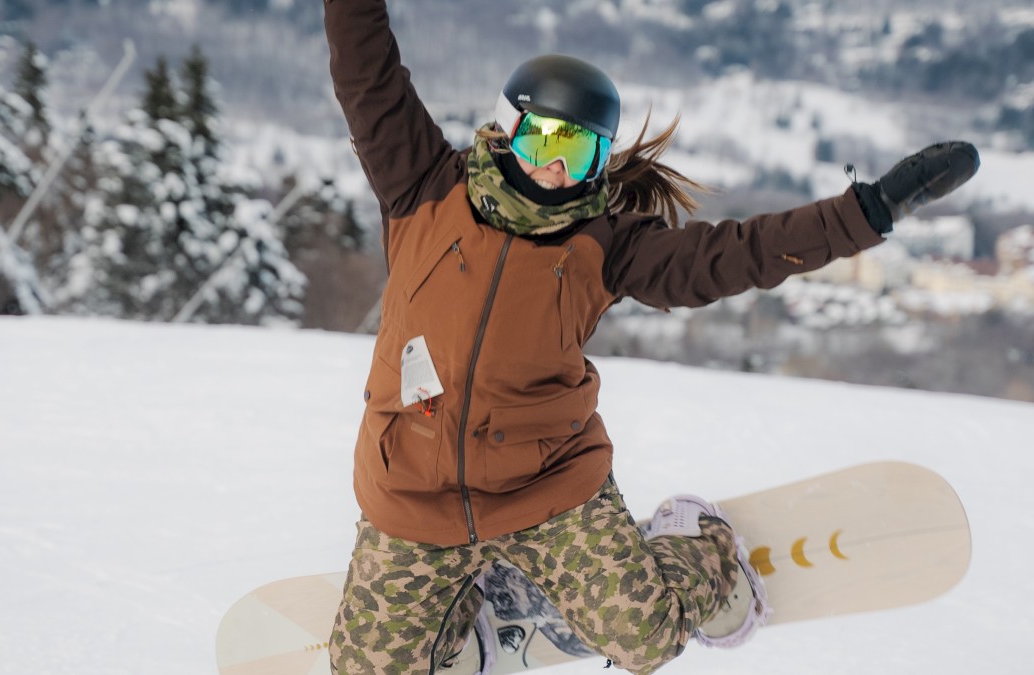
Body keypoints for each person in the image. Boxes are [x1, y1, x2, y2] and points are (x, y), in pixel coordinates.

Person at [322, 1, 980, 673]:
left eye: (578, 151)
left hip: (544, 487)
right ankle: (472, 612)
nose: (556, 168)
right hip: (412, 491)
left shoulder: (604, 244)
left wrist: (861, 215)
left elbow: (737, 253)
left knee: (647, 638)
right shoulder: (423, 187)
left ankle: (693, 542)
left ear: (598, 160)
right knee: (362, 667)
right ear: (507, 129)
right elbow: (365, 72)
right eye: (544, 140)